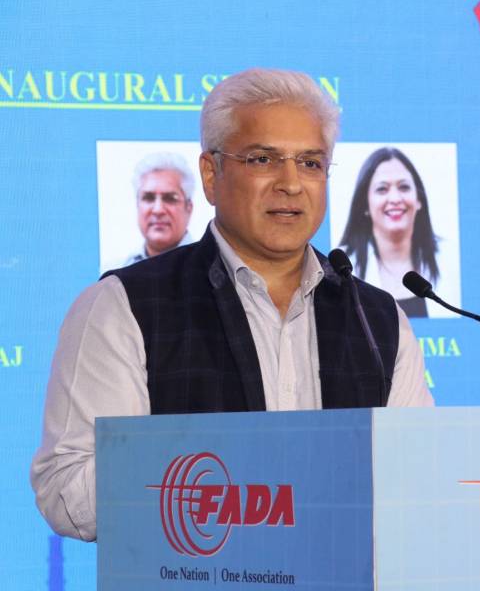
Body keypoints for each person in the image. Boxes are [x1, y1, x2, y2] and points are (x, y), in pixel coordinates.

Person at [30, 69, 433, 542]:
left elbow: (419, 481)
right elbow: (67, 494)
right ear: (211, 174)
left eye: (310, 163)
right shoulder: (125, 305)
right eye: (263, 159)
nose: (291, 183)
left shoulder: (377, 319)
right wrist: (219, 469)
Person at [340, 147, 439, 318]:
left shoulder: (449, 257)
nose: (395, 199)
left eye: (404, 187)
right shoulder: (342, 268)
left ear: (419, 200)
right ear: (365, 205)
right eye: (382, 189)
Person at [124, 152, 195, 265]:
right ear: (137, 205)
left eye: (170, 198)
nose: (158, 210)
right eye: (148, 198)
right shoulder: (114, 271)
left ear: (189, 208)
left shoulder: (212, 268)